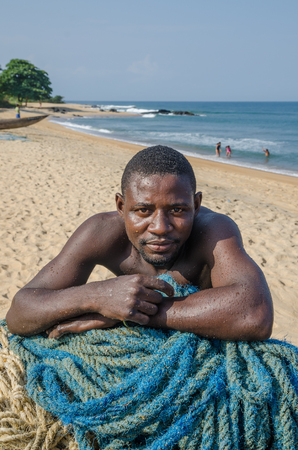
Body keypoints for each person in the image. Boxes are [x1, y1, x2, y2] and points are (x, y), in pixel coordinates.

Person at [6, 145, 273, 341]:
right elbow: (20, 312)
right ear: (122, 207)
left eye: (178, 210)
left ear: (196, 204)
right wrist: (97, 295)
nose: (160, 227)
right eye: (143, 210)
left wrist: (131, 312)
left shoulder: (215, 230)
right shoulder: (101, 232)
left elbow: (255, 312)